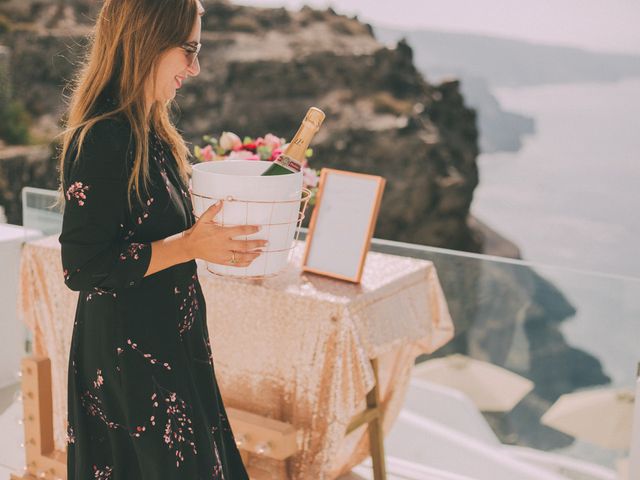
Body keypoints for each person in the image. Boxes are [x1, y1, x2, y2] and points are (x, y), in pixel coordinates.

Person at [58, 0, 267, 478]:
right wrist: (190, 247)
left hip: (170, 344)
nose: (194, 68)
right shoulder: (103, 138)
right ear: (147, 40)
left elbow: (162, 232)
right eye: (188, 50)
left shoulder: (152, 129)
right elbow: (82, 268)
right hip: (131, 363)